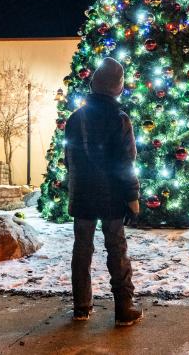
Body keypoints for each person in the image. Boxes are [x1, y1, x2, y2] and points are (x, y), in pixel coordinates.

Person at [64, 57, 143, 327]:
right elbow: (125, 163)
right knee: (117, 249)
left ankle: (81, 307)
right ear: (117, 88)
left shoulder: (76, 118)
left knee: (82, 250)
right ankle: (124, 308)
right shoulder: (119, 119)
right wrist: (132, 199)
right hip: (111, 196)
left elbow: (70, 159)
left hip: (83, 194)